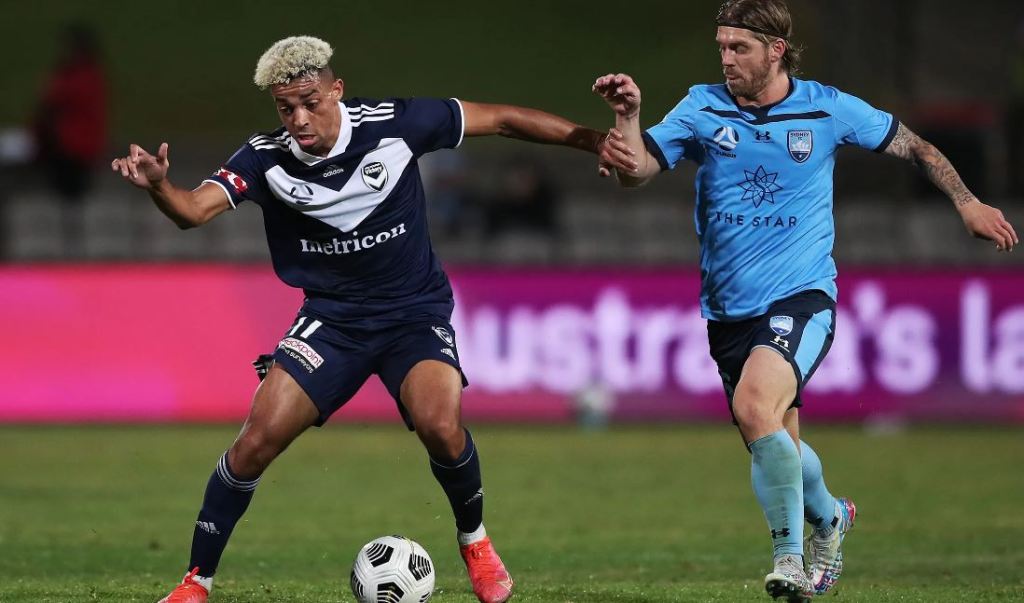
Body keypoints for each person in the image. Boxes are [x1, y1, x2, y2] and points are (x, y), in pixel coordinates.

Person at [112, 36, 624, 603]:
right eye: (286, 108)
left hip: (413, 313)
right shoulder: (263, 158)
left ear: (336, 90)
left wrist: (594, 140)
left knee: (440, 426)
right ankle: (195, 581)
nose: (299, 120)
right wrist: (160, 185)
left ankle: (475, 542)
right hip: (332, 322)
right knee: (254, 443)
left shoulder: (396, 124)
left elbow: (501, 119)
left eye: (310, 102)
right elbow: (191, 211)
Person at [592, 1, 1018, 601]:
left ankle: (789, 560)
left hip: (801, 295)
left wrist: (967, 203)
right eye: (721, 46)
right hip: (728, 311)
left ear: (776, 50)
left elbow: (917, 147)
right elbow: (637, 171)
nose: (726, 59)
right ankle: (832, 518)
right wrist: (629, 117)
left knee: (755, 406)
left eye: (739, 47)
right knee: (776, 441)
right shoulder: (700, 106)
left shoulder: (827, 108)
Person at [35, 23, 108, 253]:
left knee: (71, 200)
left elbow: (51, 102)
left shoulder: (76, 78)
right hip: (77, 148)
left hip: (71, 149)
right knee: (71, 201)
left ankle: (71, 250)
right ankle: (71, 248)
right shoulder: (90, 76)